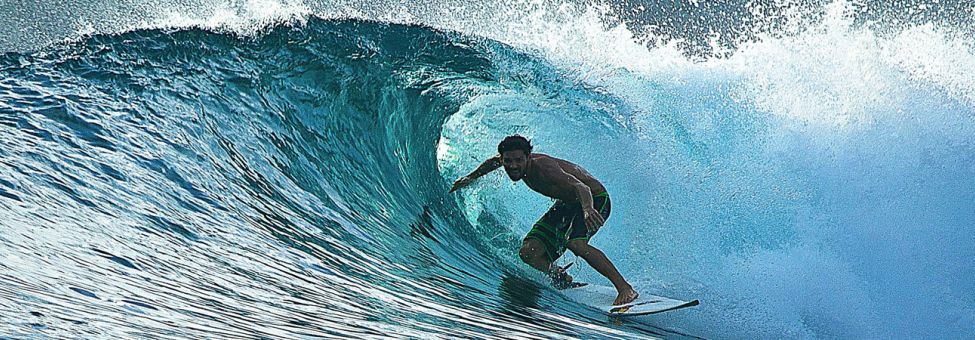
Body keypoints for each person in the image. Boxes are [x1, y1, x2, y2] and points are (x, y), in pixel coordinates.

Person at [449, 135, 639, 305]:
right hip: (568, 203)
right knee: (528, 252)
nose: (513, 166)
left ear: (528, 157)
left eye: (518, 160)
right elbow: (492, 163)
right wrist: (469, 178)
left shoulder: (544, 168)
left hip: (594, 199)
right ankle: (561, 277)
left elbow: (582, 188)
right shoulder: (507, 161)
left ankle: (625, 289)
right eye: (508, 161)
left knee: (576, 244)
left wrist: (588, 210)